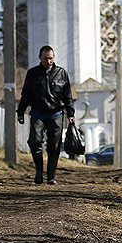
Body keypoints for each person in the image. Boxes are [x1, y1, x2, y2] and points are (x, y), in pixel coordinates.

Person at [17, 45, 75, 185]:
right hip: (38, 113)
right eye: (46, 58)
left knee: (53, 146)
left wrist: (70, 114)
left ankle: (51, 176)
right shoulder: (32, 74)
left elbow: (68, 96)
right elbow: (25, 94)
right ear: (40, 58)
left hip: (56, 114)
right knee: (34, 141)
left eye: (51, 58)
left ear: (54, 57)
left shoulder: (62, 73)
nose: (49, 61)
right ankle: (38, 171)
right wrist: (20, 112)